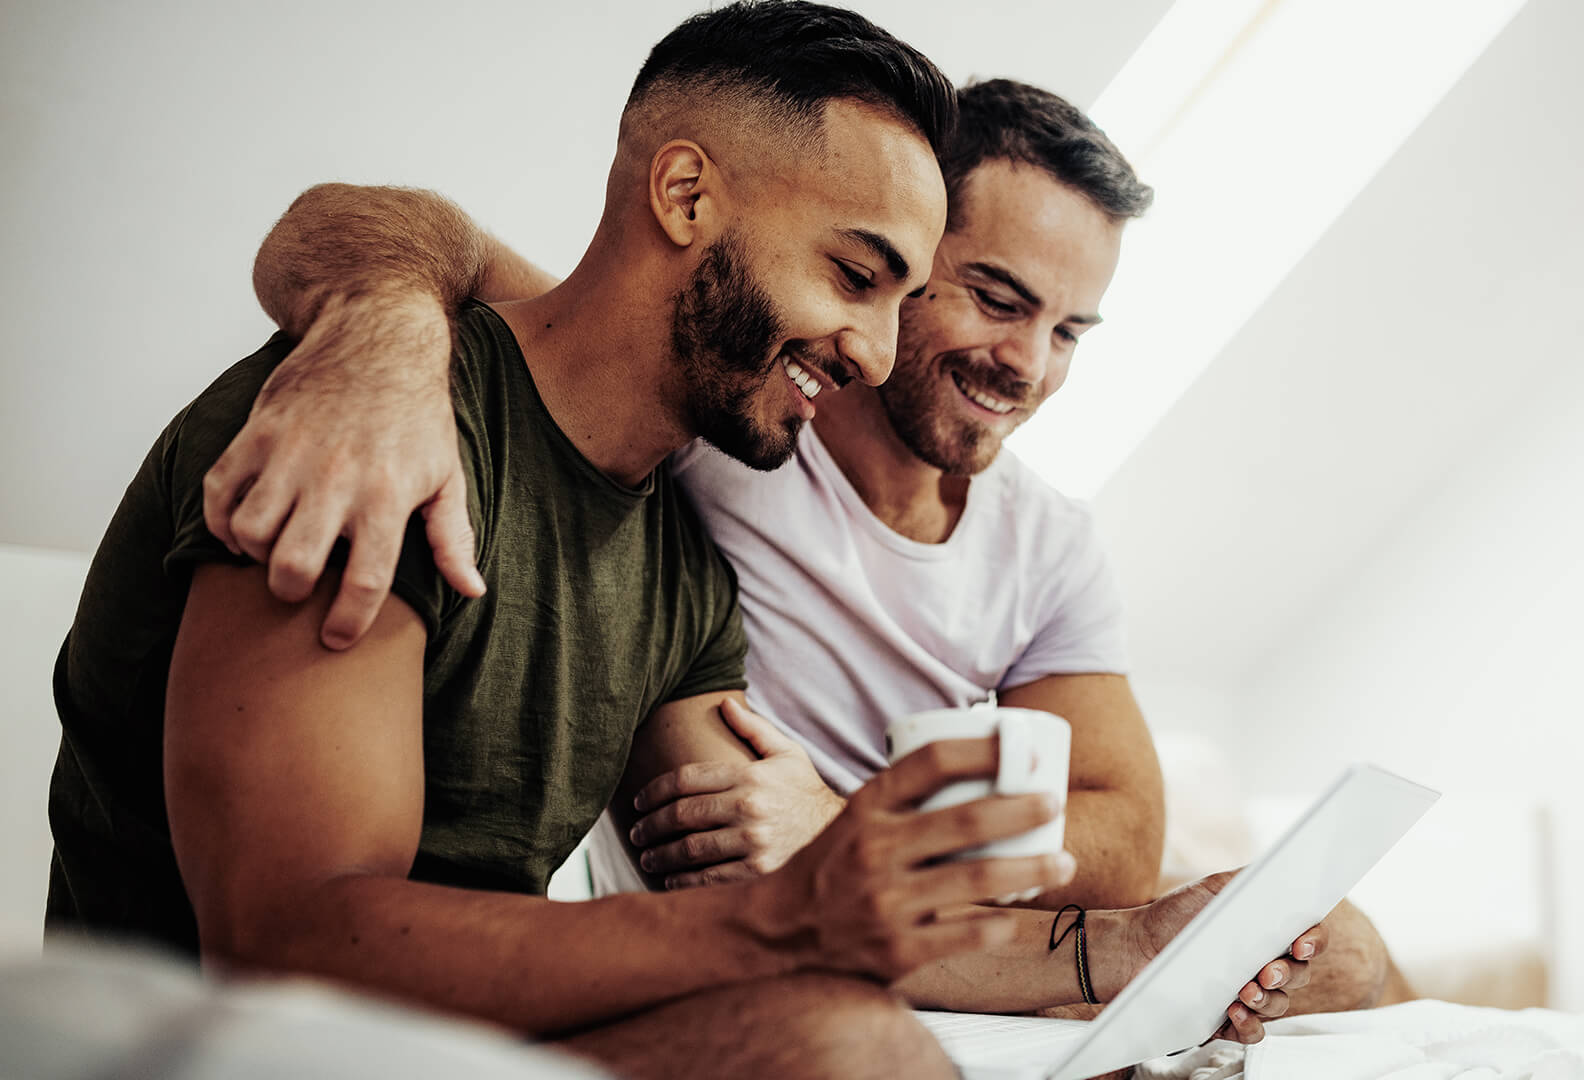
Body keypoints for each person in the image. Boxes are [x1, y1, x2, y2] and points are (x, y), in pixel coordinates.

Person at [204, 74, 1395, 1034]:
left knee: (1345, 947)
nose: (1029, 363)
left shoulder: (1029, 535)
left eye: (1070, 330)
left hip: (889, 887)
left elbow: (1127, 830)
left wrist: (846, 829)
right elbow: (431, 249)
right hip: (785, 920)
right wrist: (383, 338)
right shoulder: (730, 412)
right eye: (989, 296)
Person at [45, 6, 1102, 1077]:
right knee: (840, 1048)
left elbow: (778, 896)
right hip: (197, 1056)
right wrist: (781, 926)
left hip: (450, 1054)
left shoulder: (681, 566)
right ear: (684, 195)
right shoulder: (370, 424)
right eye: (854, 277)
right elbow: (284, 953)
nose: (877, 356)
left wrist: (1126, 955)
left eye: (904, 299)